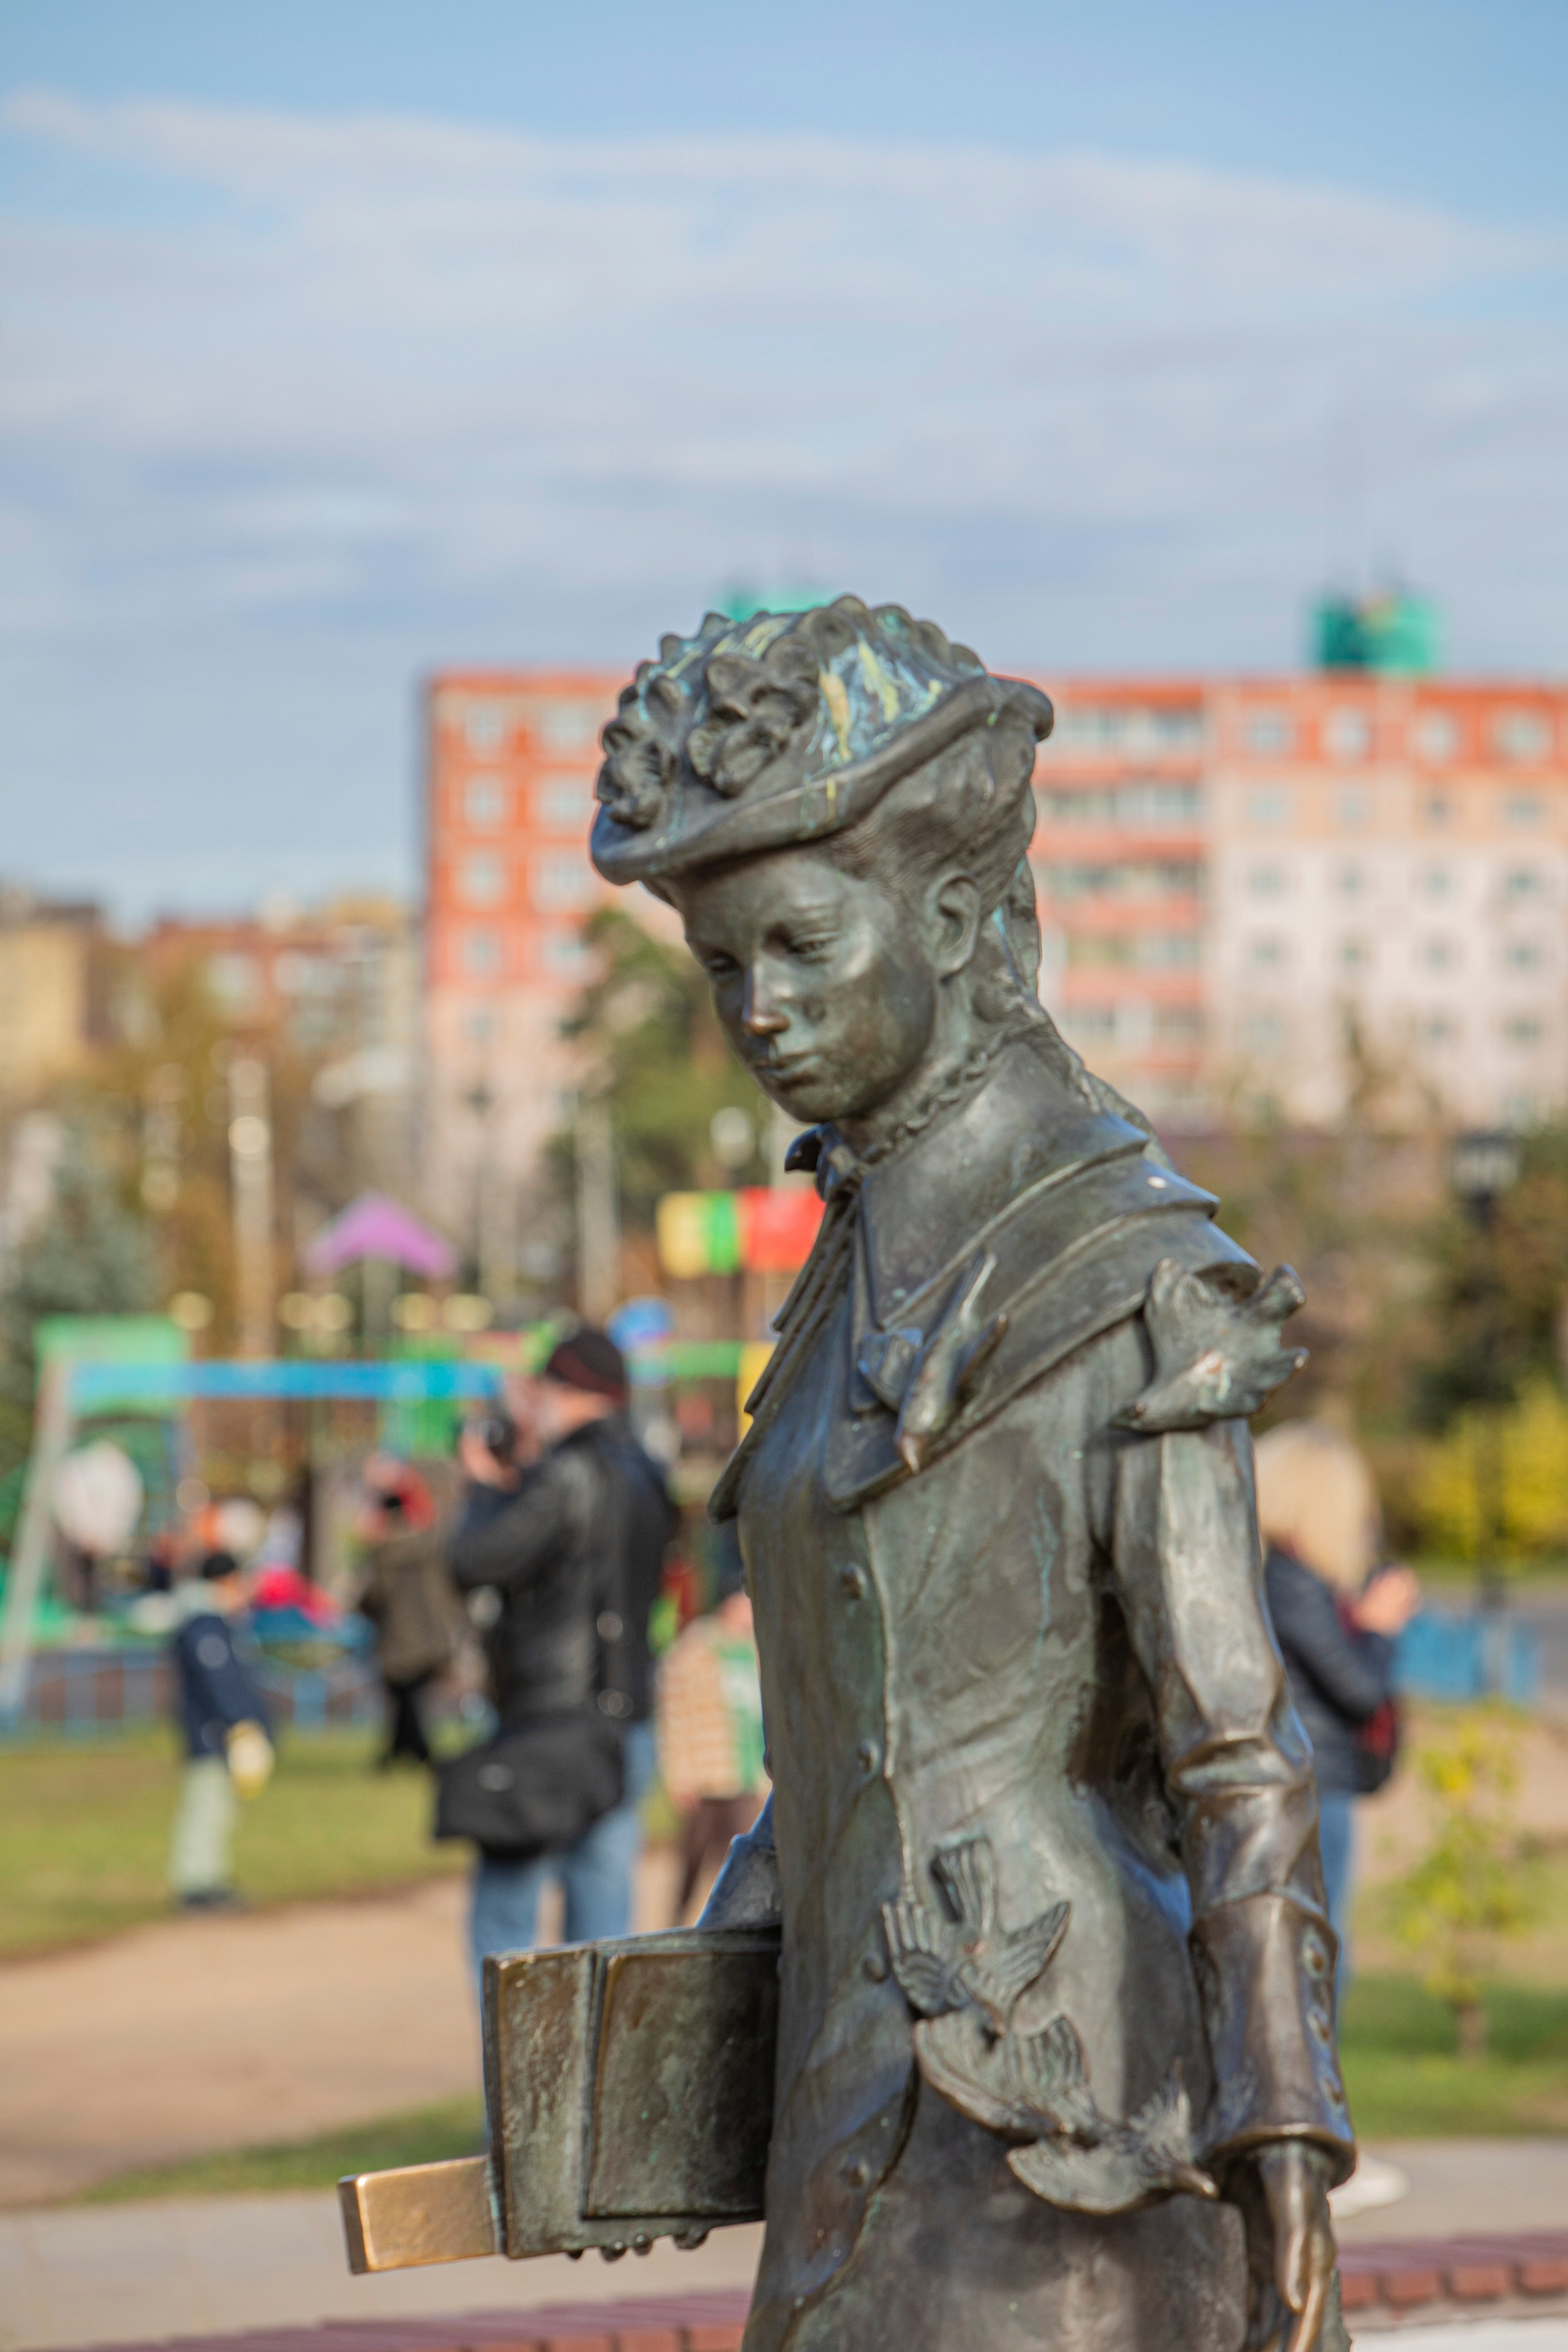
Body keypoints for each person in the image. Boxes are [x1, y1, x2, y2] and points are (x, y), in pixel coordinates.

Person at [587, 597, 1354, 2351]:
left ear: (948, 914)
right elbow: (858, 1728)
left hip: (1065, 2139)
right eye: (720, 969)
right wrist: (673, 2043)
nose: (758, 1010)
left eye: (795, 943)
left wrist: (1284, 2132)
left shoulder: (1125, 1269)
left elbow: (1234, 1752)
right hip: (841, 2124)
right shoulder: (852, 1255)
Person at [450, 1329, 676, 1976]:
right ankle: (593, 2079)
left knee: (505, 1926)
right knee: (600, 1940)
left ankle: (518, 2077)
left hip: (550, 1725)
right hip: (625, 1721)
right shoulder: (648, 1473)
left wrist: (488, 1488)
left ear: (568, 1390)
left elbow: (474, 1561)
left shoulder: (565, 1474)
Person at [1256, 1419, 1422, 1967]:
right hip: (1312, 1787)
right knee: (1318, 1957)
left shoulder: (1279, 1579)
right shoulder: (1292, 1583)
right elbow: (1360, 1692)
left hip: (1309, 1783)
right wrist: (1379, 1627)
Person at [657, 1525, 768, 1920]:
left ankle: (729, 1921)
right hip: (706, 1773)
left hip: (743, 1772)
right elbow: (675, 1715)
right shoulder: (696, 1649)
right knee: (692, 1859)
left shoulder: (756, 1650)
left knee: (740, 1856)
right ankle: (676, 1922)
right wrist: (679, 1773)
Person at [167, 1550, 274, 1910]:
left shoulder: (217, 1623)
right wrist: (240, 1722)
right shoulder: (203, 1627)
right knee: (205, 1807)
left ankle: (209, 1877)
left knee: (219, 1809)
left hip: (220, 1733)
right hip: (211, 1733)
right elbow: (221, 1683)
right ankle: (196, 1883)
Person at [355, 1466, 464, 1768]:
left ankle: (415, 1752)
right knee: (408, 1697)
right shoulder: (430, 1547)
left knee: (404, 1696)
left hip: (400, 1637)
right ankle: (404, 1750)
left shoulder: (385, 1554)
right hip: (432, 1633)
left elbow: (373, 1597)